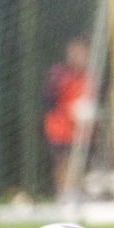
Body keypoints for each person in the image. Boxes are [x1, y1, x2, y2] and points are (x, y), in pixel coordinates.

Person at [43, 38, 92, 198]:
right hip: (60, 128)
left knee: (78, 162)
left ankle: (76, 192)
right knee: (63, 161)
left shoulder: (89, 77)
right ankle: (64, 194)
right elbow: (51, 100)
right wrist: (70, 110)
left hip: (81, 130)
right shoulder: (59, 75)